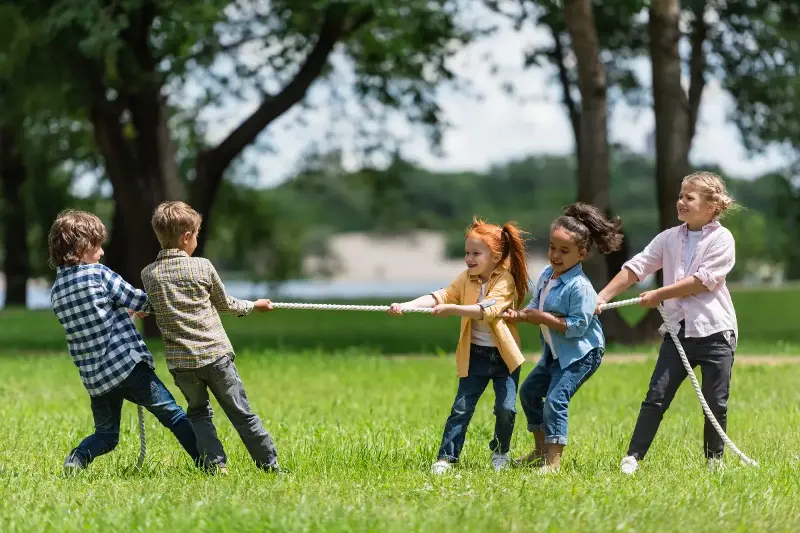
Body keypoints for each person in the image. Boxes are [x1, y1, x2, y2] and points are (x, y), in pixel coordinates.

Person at [596, 171, 738, 474]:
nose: (681, 201)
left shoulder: (722, 239)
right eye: (680, 195)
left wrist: (658, 293)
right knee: (656, 396)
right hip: (679, 332)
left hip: (716, 332)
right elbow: (638, 266)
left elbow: (703, 282)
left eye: (689, 197)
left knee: (716, 402)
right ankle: (632, 458)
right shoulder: (669, 238)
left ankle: (715, 462)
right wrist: (603, 296)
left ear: (712, 206)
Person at [49, 209, 200, 473]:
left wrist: (125, 311)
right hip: (127, 368)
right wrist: (163, 299)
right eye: (97, 246)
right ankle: (208, 462)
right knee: (173, 414)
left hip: (96, 378)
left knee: (107, 435)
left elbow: (93, 317)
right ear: (82, 246)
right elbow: (140, 300)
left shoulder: (57, 291)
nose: (102, 252)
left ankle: (78, 457)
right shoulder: (98, 274)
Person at [141, 201, 278, 474]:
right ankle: (269, 465)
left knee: (199, 413)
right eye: (197, 234)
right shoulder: (202, 267)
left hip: (182, 365)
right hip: (215, 357)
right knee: (241, 412)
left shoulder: (149, 274)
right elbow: (225, 303)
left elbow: (157, 303)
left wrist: (146, 308)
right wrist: (254, 306)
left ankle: (216, 467)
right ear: (186, 237)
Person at [388, 218, 529, 474]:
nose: (469, 259)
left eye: (476, 253)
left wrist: (452, 309)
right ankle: (446, 458)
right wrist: (407, 306)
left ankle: (500, 452)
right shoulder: (466, 278)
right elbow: (440, 296)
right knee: (461, 408)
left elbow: (487, 309)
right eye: (467, 253)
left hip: (504, 359)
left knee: (506, 409)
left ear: (496, 256)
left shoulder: (504, 281)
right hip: (475, 356)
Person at [504, 203, 623, 473]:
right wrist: (520, 315)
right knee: (530, 392)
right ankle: (540, 451)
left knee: (556, 399)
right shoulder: (548, 275)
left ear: (581, 254)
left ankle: (553, 463)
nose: (555, 255)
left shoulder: (580, 287)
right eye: (552, 247)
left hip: (581, 354)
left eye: (564, 251)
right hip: (555, 352)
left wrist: (542, 318)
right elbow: (536, 304)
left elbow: (578, 327)